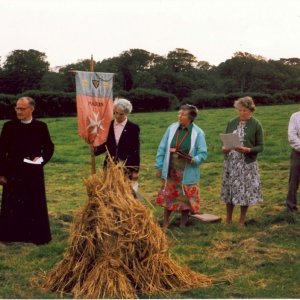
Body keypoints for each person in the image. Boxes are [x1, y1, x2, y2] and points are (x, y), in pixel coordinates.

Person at [0, 96, 54, 244]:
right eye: (17, 108)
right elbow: (1, 151)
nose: (18, 111)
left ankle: (36, 236)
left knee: (34, 204)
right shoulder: (9, 126)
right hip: (13, 173)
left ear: (32, 109)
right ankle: (11, 236)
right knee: (13, 205)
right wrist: (1, 174)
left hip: (33, 173)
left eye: (22, 108)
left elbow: (49, 147)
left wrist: (41, 159)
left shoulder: (41, 126)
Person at [155, 104, 207, 228]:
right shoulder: (172, 128)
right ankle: (166, 222)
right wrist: (159, 166)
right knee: (169, 195)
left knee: (186, 197)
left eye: (183, 114)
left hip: (187, 170)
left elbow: (203, 153)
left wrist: (194, 159)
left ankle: (183, 223)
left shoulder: (198, 133)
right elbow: (162, 147)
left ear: (190, 117)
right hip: (171, 168)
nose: (179, 116)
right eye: (179, 113)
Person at [220, 96, 264, 226]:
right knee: (230, 190)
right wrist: (225, 148)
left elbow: (261, 146)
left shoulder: (256, 125)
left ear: (251, 110)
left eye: (245, 110)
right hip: (231, 163)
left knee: (244, 192)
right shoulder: (231, 122)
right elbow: (224, 141)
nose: (242, 113)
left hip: (246, 164)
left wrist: (248, 150)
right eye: (239, 110)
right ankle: (228, 219)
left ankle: (241, 221)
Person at [94, 98, 140, 190]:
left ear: (127, 113)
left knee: (124, 192)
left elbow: (135, 150)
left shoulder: (133, 128)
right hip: (110, 165)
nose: (117, 116)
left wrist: (135, 170)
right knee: (109, 190)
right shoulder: (108, 125)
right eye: (115, 113)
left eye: (121, 114)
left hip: (126, 166)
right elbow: (106, 144)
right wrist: (95, 151)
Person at [286, 111, 300, 212]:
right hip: (298, 152)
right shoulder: (295, 116)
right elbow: (292, 136)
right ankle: (291, 206)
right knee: (294, 180)